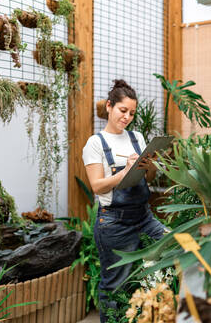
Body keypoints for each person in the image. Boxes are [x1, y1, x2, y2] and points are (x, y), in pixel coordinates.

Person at [82, 79, 166, 322]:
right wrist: (124, 172)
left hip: (144, 217)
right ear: (109, 106)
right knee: (114, 287)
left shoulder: (137, 137)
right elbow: (97, 185)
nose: (127, 117)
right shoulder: (96, 143)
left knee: (172, 247)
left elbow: (148, 177)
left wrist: (149, 166)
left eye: (131, 113)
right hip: (114, 224)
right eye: (122, 110)